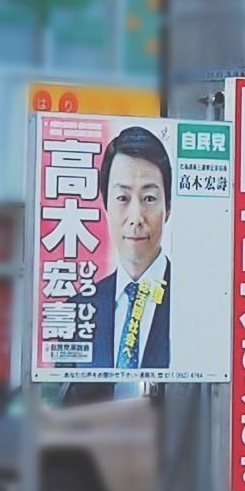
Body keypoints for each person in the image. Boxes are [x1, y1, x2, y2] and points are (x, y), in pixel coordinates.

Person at [74, 126, 178, 369]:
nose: (136, 218)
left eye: (149, 199)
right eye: (122, 198)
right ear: (106, 206)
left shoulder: (193, 300)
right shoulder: (78, 308)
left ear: (168, 207)